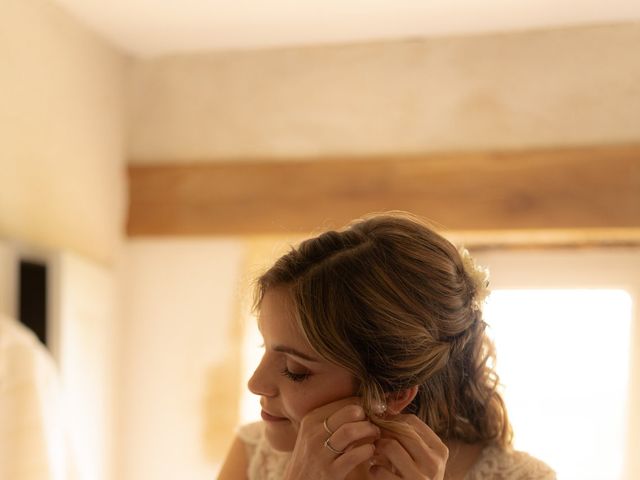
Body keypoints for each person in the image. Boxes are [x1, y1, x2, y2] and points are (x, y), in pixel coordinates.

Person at [219, 213, 555, 479]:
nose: (255, 383)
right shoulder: (253, 455)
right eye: (265, 346)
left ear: (393, 394)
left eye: (295, 371)